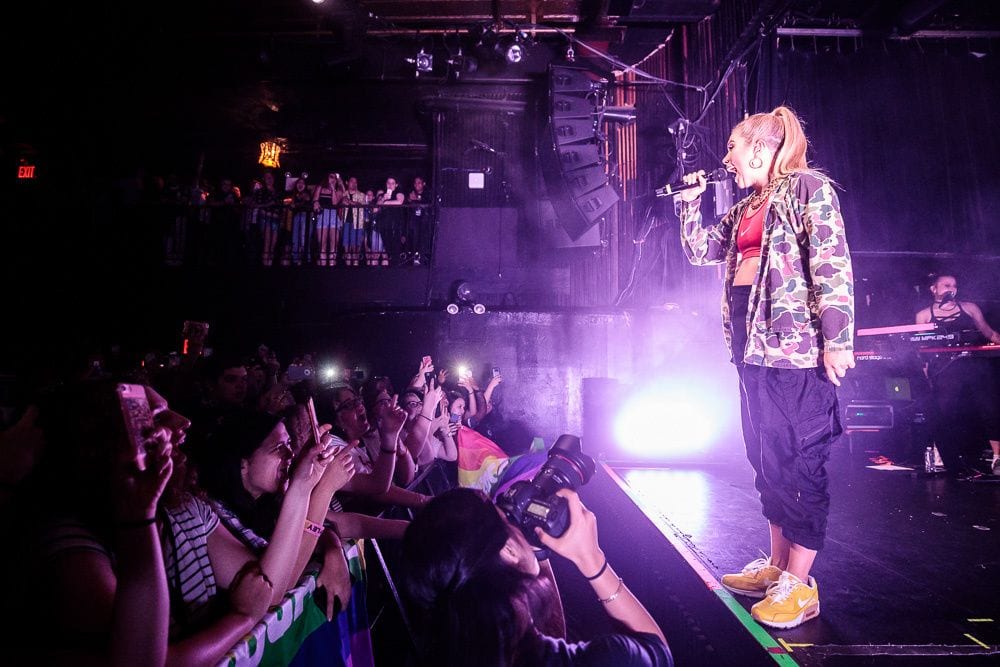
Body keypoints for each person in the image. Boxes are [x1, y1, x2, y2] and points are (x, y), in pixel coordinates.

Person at [677, 106, 854, 629]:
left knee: (799, 461)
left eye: (733, 146)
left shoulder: (808, 189)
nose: (727, 157)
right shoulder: (746, 206)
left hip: (795, 353)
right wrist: (690, 204)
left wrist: (837, 339)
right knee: (765, 456)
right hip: (751, 348)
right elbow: (702, 251)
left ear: (759, 148)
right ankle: (776, 567)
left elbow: (832, 263)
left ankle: (800, 585)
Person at [399, 487, 671, 666]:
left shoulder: (448, 646)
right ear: (508, 550)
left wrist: (534, 553)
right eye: (507, 520)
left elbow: (550, 638)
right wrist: (592, 560)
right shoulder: (609, 658)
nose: (515, 525)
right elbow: (656, 653)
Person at [915, 273, 1000, 476]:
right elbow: (922, 349)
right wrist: (926, 375)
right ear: (934, 289)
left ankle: (997, 457)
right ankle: (941, 455)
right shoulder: (924, 315)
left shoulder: (969, 308)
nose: (951, 288)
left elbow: (990, 334)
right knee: (943, 411)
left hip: (974, 364)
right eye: (946, 285)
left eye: (954, 285)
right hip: (946, 368)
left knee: (990, 408)